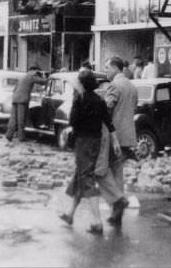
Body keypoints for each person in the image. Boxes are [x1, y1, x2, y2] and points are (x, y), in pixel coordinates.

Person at [59, 68, 119, 234]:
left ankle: (97, 222)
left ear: (81, 84)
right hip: (96, 141)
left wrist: (76, 98)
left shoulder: (80, 99)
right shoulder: (99, 100)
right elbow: (108, 121)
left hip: (83, 142)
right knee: (81, 175)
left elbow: (72, 120)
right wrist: (115, 142)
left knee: (85, 178)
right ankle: (70, 214)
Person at [98, 56, 137, 227]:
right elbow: (133, 108)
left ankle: (118, 204)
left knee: (107, 172)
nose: (106, 70)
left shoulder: (114, 85)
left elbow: (107, 110)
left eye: (107, 67)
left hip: (115, 136)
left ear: (115, 68)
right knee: (118, 172)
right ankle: (117, 211)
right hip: (129, 136)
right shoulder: (132, 86)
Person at [5, 66, 45, 142]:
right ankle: (21, 137)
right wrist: (45, 76)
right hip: (22, 100)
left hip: (15, 99)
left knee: (13, 119)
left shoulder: (23, 77)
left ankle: (9, 135)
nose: (37, 74)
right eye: (37, 72)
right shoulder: (31, 76)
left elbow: (15, 89)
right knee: (21, 119)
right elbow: (43, 82)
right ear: (33, 71)